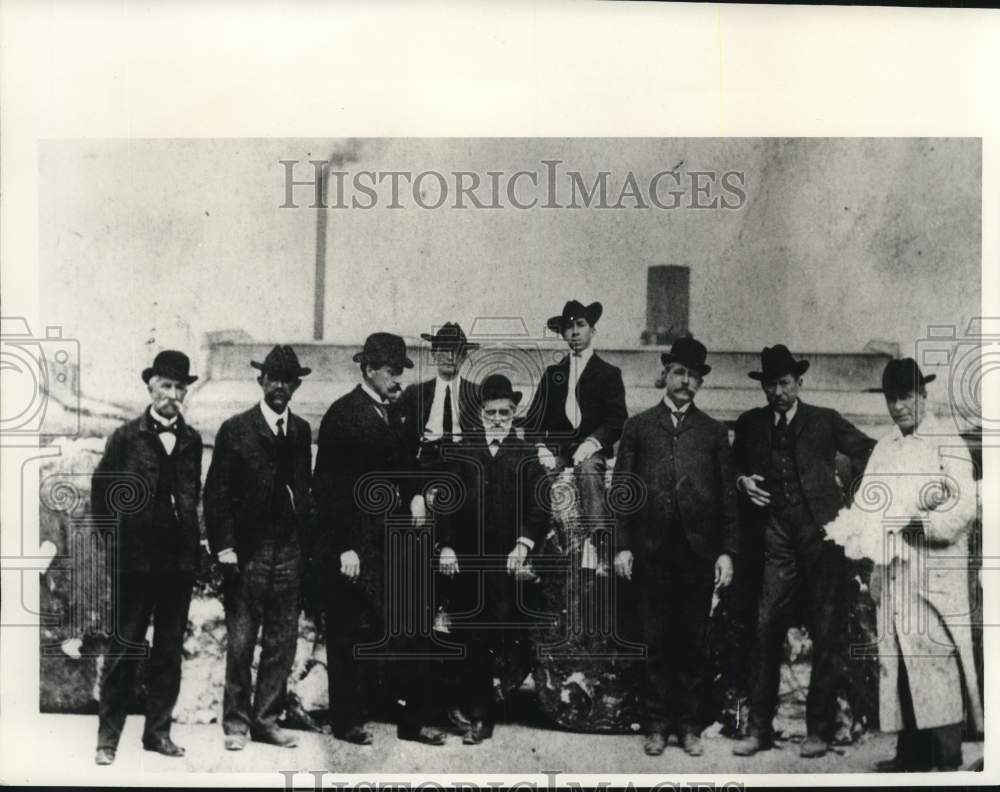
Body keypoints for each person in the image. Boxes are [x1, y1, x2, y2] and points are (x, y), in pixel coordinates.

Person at [731, 345, 875, 759]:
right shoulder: (750, 424)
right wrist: (742, 481)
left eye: (785, 384)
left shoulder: (824, 421)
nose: (778, 392)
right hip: (774, 536)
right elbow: (730, 463)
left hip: (822, 537)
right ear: (764, 387)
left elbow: (868, 451)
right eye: (771, 385)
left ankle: (819, 731)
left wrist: (851, 501)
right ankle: (759, 729)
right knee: (764, 626)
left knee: (827, 629)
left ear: (799, 383)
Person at [312, 332, 448, 746]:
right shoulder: (343, 414)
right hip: (357, 545)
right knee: (349, 632)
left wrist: (416, 498)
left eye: (401, 371)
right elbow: (327, 488)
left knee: (410, 627)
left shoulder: (399, 413)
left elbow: (407, 467)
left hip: (396, 541)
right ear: (369, 370)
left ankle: (413, 721)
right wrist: (342, 547)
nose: (397, 378)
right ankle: (347, 720)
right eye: (391, 371)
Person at [849, 358, 982, 771]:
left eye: (906, 397)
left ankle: (946, 757)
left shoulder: (947, 441)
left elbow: (962, 508)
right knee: (901, 664)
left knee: (935, 663)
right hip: (895, 571)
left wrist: (919, 523)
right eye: (892, 399)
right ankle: (910, 755)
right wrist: (871, 538)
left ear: (922, 396)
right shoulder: (885, 447)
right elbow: (865, 501)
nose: (899, 407)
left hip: (934, 573)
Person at [611, 337, 740, 757]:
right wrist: (623, 546)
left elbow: (727, 498)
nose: (686, 381)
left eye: (693, 375)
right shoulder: (639, 426)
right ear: (665, 375)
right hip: (652, 549)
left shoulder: (714, 432)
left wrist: (725, 552)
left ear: (701, 382)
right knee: (654, 638)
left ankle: (689, 726)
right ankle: (656, 724)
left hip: (698, 552)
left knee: (693, 641)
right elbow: (623, 492)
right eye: (679, 372)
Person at [90, 351, 203, 765]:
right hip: (134, 564)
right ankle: (107, 740)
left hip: (177, 565)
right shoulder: (125, 437)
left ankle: (158, 734)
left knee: (169, 653)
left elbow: (192, 495)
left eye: (179, 388)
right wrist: (114, 544)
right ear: (150, 388)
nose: (172, 395)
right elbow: (101, 494)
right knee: (123, 651)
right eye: (165, 387)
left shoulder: (192, 441)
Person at [204, 345, 314, 751]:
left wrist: (305, 543)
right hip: (248, 551)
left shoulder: (300, 431)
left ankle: (267, 720)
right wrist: (226, 547)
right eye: (273, 378)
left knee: (281, 642)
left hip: (289, 549)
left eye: (288, 380)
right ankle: (235, 724)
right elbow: (215, 494)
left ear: (296, 386)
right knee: (241, 640)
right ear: (261, 381)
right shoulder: (236, 429)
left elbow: (303, 489)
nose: (280, 386)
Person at [435, 374, 550, 745]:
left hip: (505, 560)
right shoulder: (463, 450)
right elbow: (448, 503)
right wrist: (447, 545)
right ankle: (466, 709)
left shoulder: (525, 454)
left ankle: (483, 713)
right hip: (467, 559)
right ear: (481, 414)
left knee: (494, 631)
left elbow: (539, 507)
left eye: (505, 412)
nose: (498, 418)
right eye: (491, 412)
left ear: (514, 414)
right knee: (466, 630)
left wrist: (523, 545)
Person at [523, 299, 627, 554]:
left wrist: (593, 442)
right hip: (557, 451)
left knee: (589, 470)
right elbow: (532, 421)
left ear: (593, 330)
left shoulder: (608, 373)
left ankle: (597, 541)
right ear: (563, 334)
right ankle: (531, 547)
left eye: (581, 325)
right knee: (537, 477)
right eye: (568, 327)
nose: (575, 332)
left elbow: (617, 419)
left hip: (592, 451)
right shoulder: (553, 374)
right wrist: (539, 447)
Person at [397, 321, 481, 466]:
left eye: (456, 351)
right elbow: (399, 434)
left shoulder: (477, 393)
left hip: (464, 462)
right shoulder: (415, 393)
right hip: (425, 462)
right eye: (444, 350)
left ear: (464, 357)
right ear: (434, 355)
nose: (450, 357)